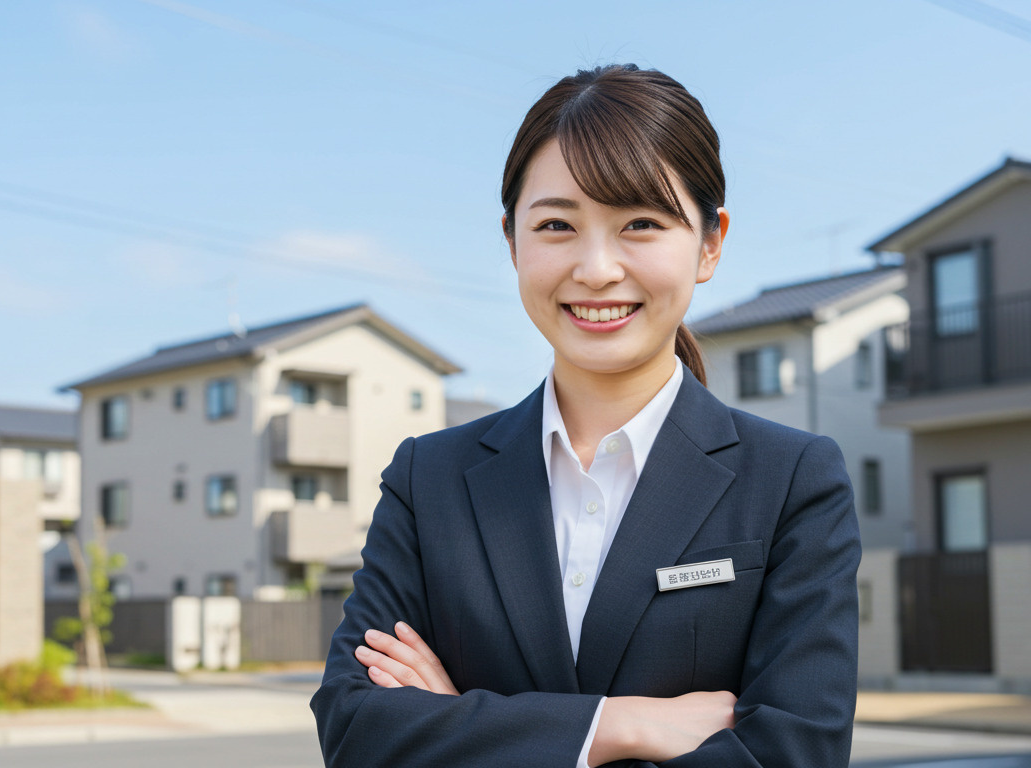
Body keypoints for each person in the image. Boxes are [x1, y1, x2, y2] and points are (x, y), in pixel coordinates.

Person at [309, 63, 860, 767]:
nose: (597, 268)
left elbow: (794, 753)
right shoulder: (430, 480)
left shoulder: (791, 481)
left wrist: (462, 728)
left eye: (640, 223)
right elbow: (358, 732)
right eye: (557, 225)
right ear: (512, 241)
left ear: (710, 243)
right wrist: (618, 727)